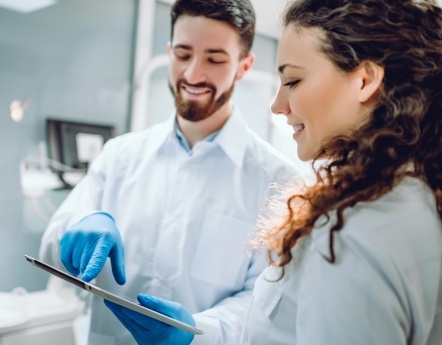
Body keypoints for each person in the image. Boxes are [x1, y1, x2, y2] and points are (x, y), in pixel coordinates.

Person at [104, 0, 442, 344]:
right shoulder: (418, 197)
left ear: (364, 80)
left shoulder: (351, 232)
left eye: (293, 80)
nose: (277, 105)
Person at [39, 0, 299, 344]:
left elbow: (266, 305)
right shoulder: (120, 155)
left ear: (243, 66)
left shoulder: (278, 182)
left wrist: (198, 332)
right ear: (169, 52)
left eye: (215, 59)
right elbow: (50, 247)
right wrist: (73, 231)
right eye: (182, 54)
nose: (193, 74)